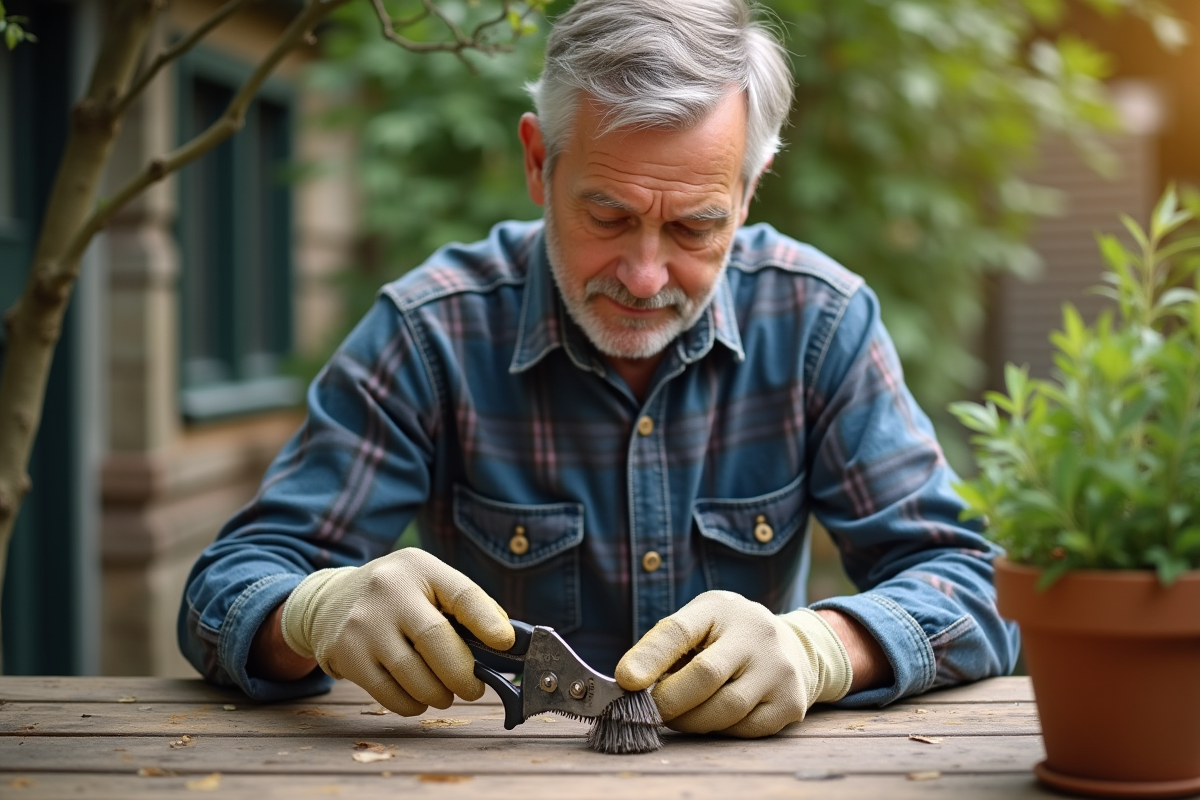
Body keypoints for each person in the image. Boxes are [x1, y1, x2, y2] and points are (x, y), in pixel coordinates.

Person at [179, 0, 1019, 738]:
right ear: (539, 161)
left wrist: (821, 649)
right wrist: (314, 612)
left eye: (695, 227)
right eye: (608, 215)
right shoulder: (431, 331)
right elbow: (228, 587)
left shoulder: (819, 322)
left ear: (752, 186)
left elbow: (978, 585)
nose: (646, 277)